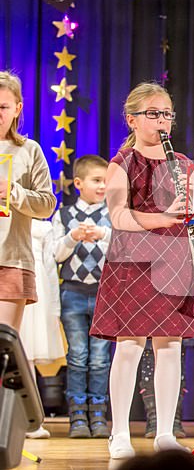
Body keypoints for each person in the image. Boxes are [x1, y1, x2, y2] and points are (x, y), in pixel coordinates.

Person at [90, 82, 194, 459]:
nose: (162, 121)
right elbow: (119, 217)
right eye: (153, 114)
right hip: (134, 260)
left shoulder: (183, 163)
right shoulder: (121, 163)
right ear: (132, 120)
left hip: (174, 259)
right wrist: (164, 216)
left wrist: (193, 207)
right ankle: (119, 433)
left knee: (170, 346)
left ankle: (165, 433)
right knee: (129, 345)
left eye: (167, 114)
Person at [51, 154, 113, 439]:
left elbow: (122, 250)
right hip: (73, 292)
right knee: (77, 356)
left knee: (100, 358)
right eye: (96, 180)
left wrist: (103, 234)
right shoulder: (64, 215)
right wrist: (72, 237)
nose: (102, 186)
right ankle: (77, 415)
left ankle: (98, 414)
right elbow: (55, 254)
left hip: (104, 294)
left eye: (105, 181)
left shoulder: (112, 215)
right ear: (78, 183)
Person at [0, 71, 56, 332]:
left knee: (4, 343)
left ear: (17, 109)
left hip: (12, 260)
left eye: (3, 107)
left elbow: (47, 204)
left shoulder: (29, 150)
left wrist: (13, 191)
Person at [21, 218, 66, 439]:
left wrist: (54, 308)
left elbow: (50, 269)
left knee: (25, 357)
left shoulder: (43, 228)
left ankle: (30, 420)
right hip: (10, 278)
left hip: (36, 290)